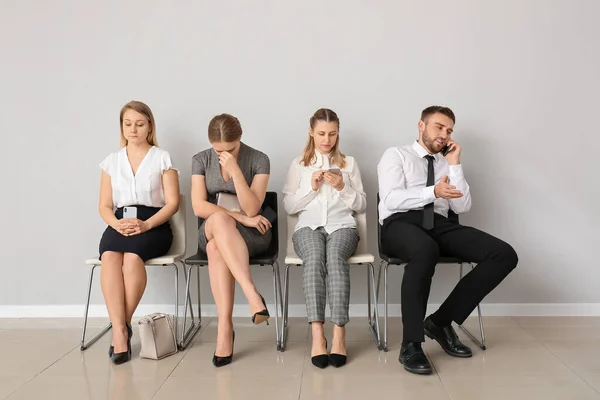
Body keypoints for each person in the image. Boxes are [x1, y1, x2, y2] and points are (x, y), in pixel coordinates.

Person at [377, 105, 518, 375]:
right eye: (439, 127)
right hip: (401, 223)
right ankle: (411, 343)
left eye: (449, 130)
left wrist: (454, 164)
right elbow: (392, 198)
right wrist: (433, 191)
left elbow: (462, 207)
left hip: (439, 224)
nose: (444, 134)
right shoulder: (396, 155)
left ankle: (440, 322)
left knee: (503, 254)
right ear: (421, 126)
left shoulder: (447, 160)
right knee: (425, 250)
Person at [283, 108, 367, 368]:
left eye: (331, 134)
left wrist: (343, 187)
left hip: (343, 226)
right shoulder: (299, 164)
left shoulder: (349, 163)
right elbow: (289, 206)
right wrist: (312, 187)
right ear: (311, 132)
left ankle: (339, 334)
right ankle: (318, 336)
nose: (326, 139)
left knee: (334, 258)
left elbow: (362, 205)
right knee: (315, 258)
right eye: (321, 133)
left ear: (338, 132)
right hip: (307, 228)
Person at [98, 101, 180, 365]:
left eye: (139, 124)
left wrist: (146, 225)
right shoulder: (111, 161)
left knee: (132, 258)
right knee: (110, 256)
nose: (133, 130)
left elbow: (173, 203)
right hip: (119, 222)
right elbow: (104, 205)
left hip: (152, 223)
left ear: (150, 127)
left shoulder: (162, 157)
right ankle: (121, 330)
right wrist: (115, 224)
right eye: (128, 124)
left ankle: (121, 326)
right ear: (122, 127)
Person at [191, 113, 273, 367]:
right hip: (214, 227)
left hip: (250, 236)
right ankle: (252, 296)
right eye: (218, 150)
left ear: (240, 139)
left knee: (217, 245)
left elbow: (251, 209)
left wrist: (237, 171)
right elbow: (198, 207)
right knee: (217, 222)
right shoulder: (200, 160)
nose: (223, 154)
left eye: (230, 149)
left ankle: (224, 329)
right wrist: (237, 217)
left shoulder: (259, 159)